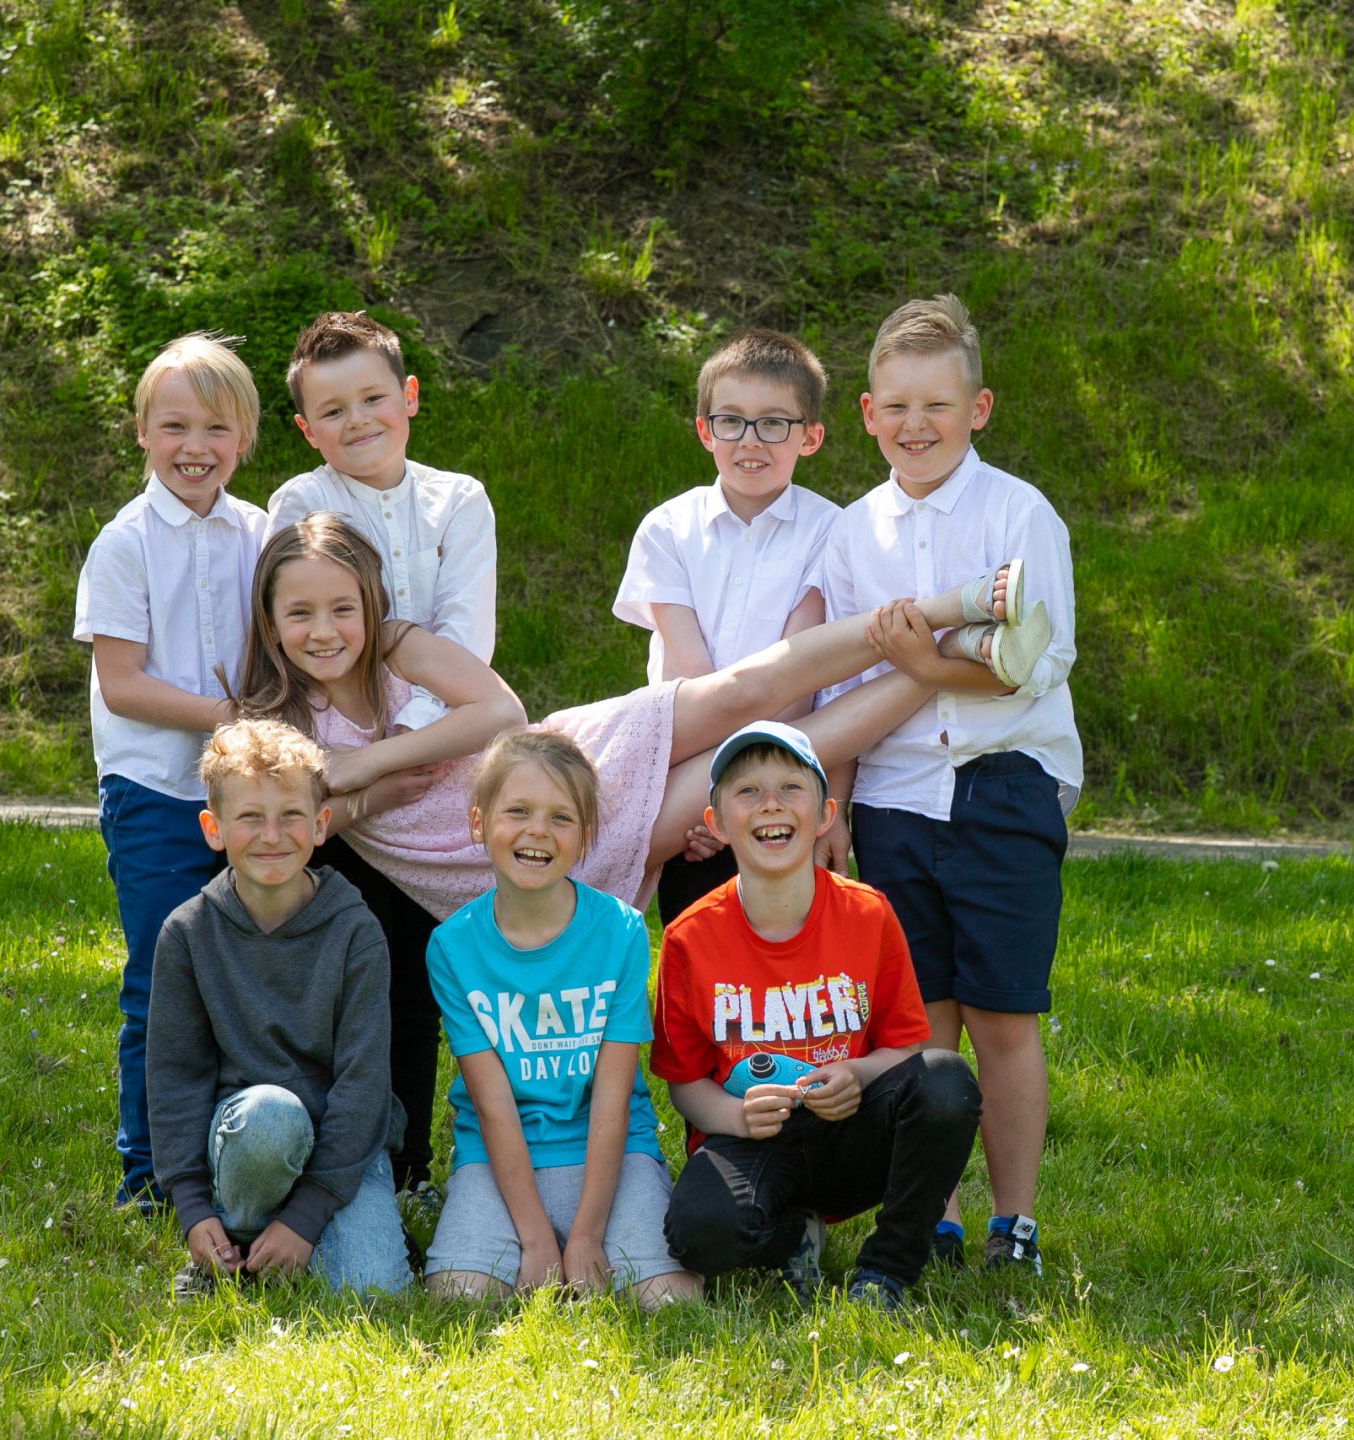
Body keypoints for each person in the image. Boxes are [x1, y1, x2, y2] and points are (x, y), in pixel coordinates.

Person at [236, 512, 1044, 924]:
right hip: (533, 843)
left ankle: (952, 607)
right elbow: (300, 819)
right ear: (270, 625)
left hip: (561, 757)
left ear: (370, 606)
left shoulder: (396, 646)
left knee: (741, 690)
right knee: (763, 761)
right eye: (299, 614)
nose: (324, 631)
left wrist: (369, 766)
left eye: (342, 608)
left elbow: (500, 712)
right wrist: (369, 796)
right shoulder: (274, 720)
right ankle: (958, 659)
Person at [819, 294, 1083, 1275]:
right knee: (921, 1020)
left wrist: (924, 666)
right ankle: (932, 1215)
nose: (915, 424)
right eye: (896, 406)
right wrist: (836, 801)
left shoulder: (1019, 513)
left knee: (1004, 1017)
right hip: (892, 797)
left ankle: (1015, 1224)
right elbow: (843, 691)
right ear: (867, 414)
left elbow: (1033, 663)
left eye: (936, 404)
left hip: (1002, 787)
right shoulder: (853, 533)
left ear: (978, 408)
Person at [265, 310, 500, 1202]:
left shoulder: (459, 500)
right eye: (333, 411)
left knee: (418, 971)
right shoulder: (299, 504)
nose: (357, 421)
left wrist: (408, 748)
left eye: (373, 398)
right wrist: (373, 762)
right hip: (338, 752)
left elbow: (467, 640)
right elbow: (295, 628)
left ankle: (409, 1171)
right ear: (307, 429)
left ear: (409, 397)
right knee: (352, 961)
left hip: (439, 749)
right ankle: (342, 1152)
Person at [650, 722, 982, 1308]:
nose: (770, 803)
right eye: (747, 791)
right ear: (717, 823)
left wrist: (856, 1074)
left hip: (851, 1129)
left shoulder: (868, 914)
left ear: (826, 815)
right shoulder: (689, 938)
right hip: (753, 1137)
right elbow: (684, 1083)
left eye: (790, 787)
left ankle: (887, 1269)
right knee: (698, 1233)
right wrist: (736, 1116)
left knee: (946, 1081)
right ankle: (790, 1235)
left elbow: (906, 1048)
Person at [72, 332, 272, 1211]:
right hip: (154, 792)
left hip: (251, 793)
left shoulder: (261, 534)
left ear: (245, 438)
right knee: (162, 980)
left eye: (217, 428)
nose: (196, 446)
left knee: (249, 976)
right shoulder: (125, 542)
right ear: (143, 433)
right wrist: (232, 717)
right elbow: (122, 684)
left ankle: (244, 1156)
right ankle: (149, 1173)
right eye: (175, 426)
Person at [422, 730, 702, 1309]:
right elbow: (492, 1105)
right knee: (458, 1298)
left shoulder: (621, 932)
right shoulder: (452, 947)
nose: (538, 831)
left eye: (561, 817)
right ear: (479, 823)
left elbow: (613, 1097)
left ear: (585, 836)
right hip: (500, 1159)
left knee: (669, 1302)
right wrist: (534, 1239)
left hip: (609, 1156)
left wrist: (586, 1237)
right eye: (517, 811)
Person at [148, 719, 410, 1295]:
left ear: (320, 824)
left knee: (375, 1294)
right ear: (214, 829)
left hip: (344, 1149)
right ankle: (232, 1243)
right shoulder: (187, 934)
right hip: (249, 1139)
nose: (272, 835)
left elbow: (364, 1085)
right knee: (271, 1117)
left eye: (291, 815)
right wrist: (192, 1206)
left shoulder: (356, 931)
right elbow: (175, 1080)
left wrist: (307, 1215)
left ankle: (285, 1242)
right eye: (250, 817)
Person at [612, 330, 843, 924]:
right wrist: (708, 797)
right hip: (685, 768)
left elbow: (798, 680)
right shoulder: (668, 528)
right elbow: (689, 677)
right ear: (704, 430)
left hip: (783, 772)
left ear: (810, 437)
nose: (751, 440)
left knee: (784, 939)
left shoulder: (832, 533)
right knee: (696, 931)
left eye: (774, 423)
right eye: (732, 421)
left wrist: (739, 796)